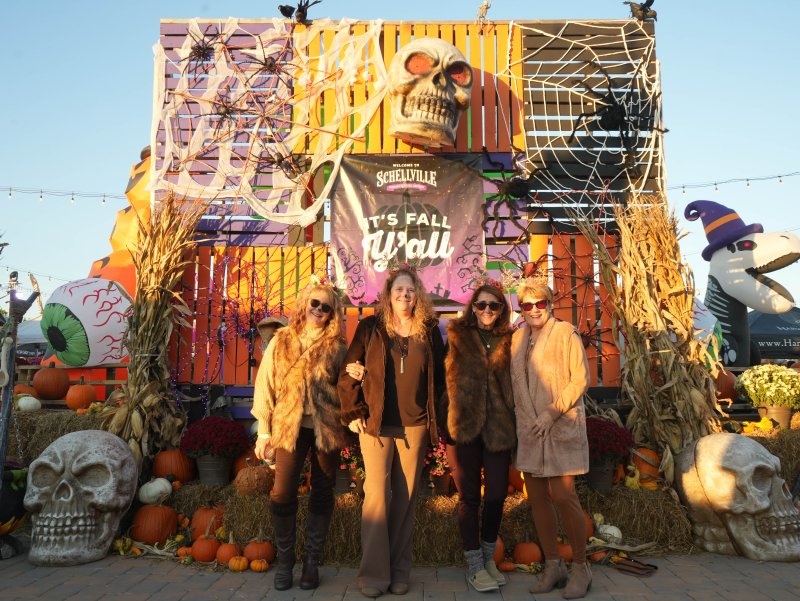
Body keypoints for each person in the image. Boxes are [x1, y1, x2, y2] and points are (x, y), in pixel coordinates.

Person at [338, 266, 445, 598]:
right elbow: (349, 371)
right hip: (376, 424)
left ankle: (399, 571)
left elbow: (440, 380)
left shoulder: (429, 330)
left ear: (418, 295)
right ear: (388, 294)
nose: (404, 295)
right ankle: (373, 574)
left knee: (406, 498)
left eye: (410, 290)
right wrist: (352, 411)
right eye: (399, 290)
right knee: (376, 497)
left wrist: (438, 420)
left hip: (415, 425)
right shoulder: (370, 327)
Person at [252, 281, 347, 591]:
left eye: (326, 307)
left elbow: (347, 388)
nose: (319, 310)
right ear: (305, 304)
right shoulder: (282, 340)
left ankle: (311, 563)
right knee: (282, 493)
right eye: (314, 303)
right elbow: (265, 384)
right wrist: (263, 431)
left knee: (322, 491)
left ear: (332, 313)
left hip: (326, 428)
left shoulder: (337, 348)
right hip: (288, 426)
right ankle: (285, 562)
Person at [510, 280, 592, 599]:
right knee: (537, 497)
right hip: (530, 429)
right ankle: (554, 565)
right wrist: (529, 418)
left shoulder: (565, 333)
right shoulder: (518, 339)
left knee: (562, 495)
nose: (534, 310)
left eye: (539, 303)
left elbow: (580, 379)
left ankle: (581, 567)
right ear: (521, 309)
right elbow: (516, 382)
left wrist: (552, 411)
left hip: (560, 425)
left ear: (550, 304)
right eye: (527, 305)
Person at [440, 279, 516, 593]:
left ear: (501, 309)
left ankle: (487, 558)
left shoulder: (511, 340)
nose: (487, 310)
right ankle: (474, 565)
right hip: (464, 427)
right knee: (469, 498)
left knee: (496, 494)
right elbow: (442, 379)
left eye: (493, 305)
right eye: (481, 304)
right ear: (473, 307)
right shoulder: (457, 335)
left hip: (499, 427)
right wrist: (446, 421)